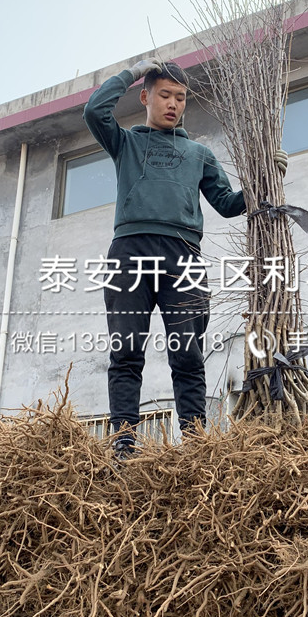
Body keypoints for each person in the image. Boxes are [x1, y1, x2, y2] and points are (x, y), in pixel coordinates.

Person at [83, 58, 258, 456]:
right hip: (130, 253)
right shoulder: (125, 142)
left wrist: (263, 182)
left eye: (180, 98)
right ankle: (124, 444)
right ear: (145, 97)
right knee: (126, 352)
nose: (173, 104)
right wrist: (130, 71)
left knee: (188, 354)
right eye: (164, 95)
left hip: (184, 256)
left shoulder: (199, 153)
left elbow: (228, 205)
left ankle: (196, 444)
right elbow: (94, 110)